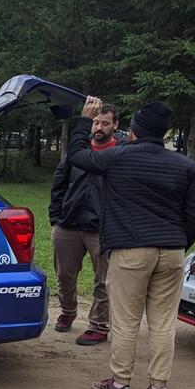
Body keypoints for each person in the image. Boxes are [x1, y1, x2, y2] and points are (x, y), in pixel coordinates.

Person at [68, 97, 195, 389]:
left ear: (136, 131)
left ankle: (121, 383)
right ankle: (159, 388)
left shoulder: (118, 157)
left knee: (126, 320)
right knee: (163, 322)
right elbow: (193, 214)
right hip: (172, 250)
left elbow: (77, 156)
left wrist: (85, 121)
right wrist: (180, 241)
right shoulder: (186, 165)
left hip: (130, 249)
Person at [49, 103, 122, 345]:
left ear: (115, 125)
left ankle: (99, 326)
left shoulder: (121, 153)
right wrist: (55, 219)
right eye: (95, 122)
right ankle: (68, 311)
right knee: (64, 275)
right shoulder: (78, 150)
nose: (99, 127)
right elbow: (59, 185)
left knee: (104, 280)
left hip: (102, 229)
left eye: (105, 123)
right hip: (68, 224)